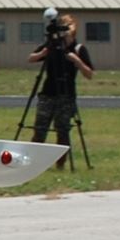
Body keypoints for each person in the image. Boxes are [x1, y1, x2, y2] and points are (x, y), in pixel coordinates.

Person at [27, 9, 94, 162]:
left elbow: (89, 74)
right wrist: (43, 53)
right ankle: (33, 162)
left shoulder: (78, 49)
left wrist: (77, 61)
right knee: (40, 129)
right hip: (48, 93)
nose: (65, 30)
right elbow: (31, 58)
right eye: (63, 26)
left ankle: (61, 164)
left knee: (62, 131)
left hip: (66, 95)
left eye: (68, 26)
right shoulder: (52, 45)